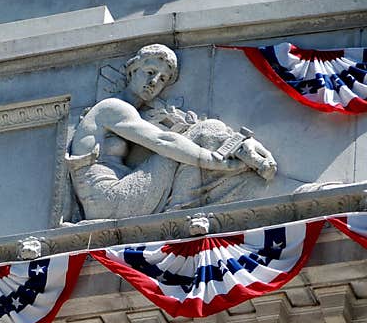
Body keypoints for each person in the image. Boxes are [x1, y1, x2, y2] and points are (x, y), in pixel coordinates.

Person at [65, 44, 277, 221]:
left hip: (114, 200)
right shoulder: (112, 107)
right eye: (149, 72)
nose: (154, 82)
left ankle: (242, 150)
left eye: (163, 78)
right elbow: (163, 140)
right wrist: (211, 160)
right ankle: (244, 152)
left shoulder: (136, 115)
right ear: (132, 70)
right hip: (110, 201)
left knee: (200, 138)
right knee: (202, 131)